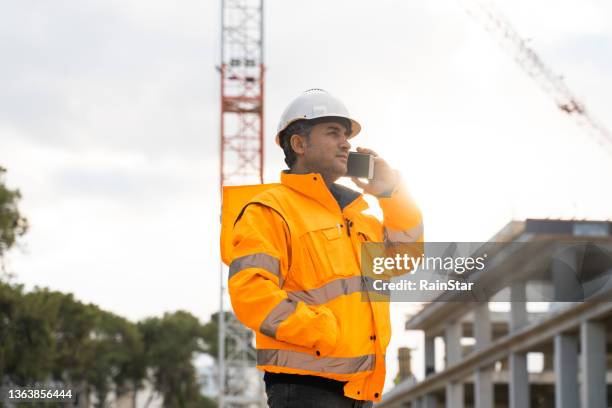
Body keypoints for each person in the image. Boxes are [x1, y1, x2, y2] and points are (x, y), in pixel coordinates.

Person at [225, 89, 423, 407]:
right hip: (304, 388)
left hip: (359, 389)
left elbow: (405, 257)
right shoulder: (270, 209)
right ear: (299, 144)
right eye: (333, 133)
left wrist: (392, 194)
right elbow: (250, 292)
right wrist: (320, 330)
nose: (346, 143)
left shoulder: (357, 216)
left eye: (346, 135)